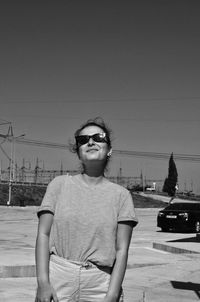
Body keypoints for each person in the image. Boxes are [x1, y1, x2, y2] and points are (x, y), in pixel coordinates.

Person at [35, 117, 138, 302]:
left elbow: (121, 250)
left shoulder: (121, 196)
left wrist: (112, 295)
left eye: (98, 137)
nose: (90, 141)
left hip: (101, 283)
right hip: (59, 278)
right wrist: (43, 283)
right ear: (78, 152)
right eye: (83, 140)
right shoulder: (59, 185)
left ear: (109, 150)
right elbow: (44, 234)